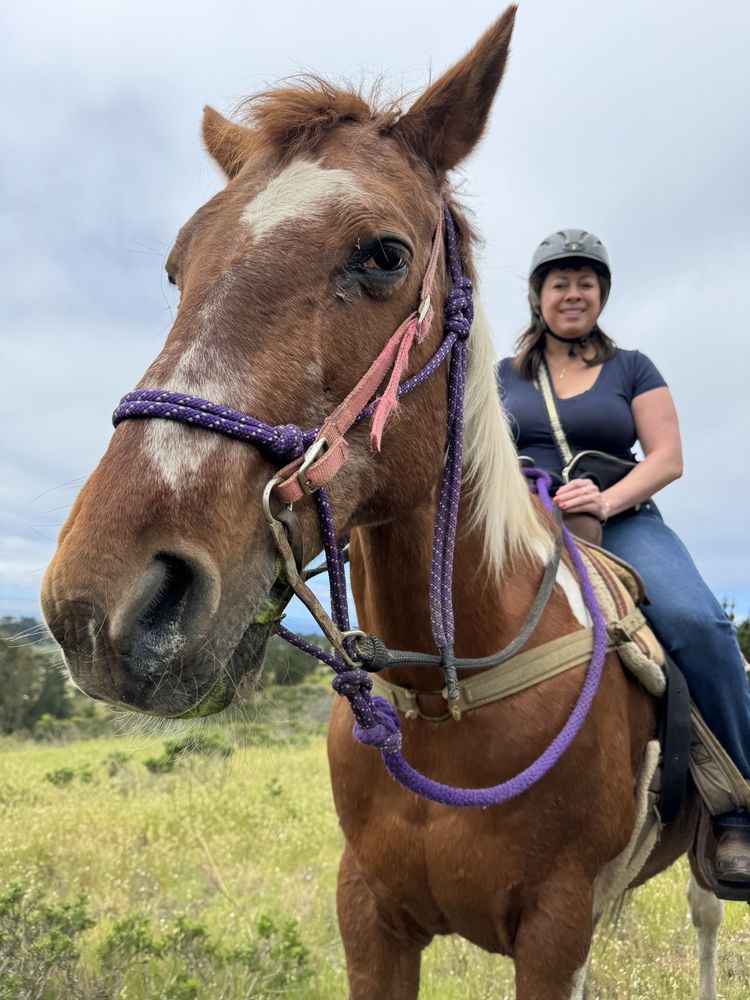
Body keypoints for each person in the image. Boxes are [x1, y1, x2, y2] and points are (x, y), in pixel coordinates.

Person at [496, 229, 750, 888]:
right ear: (538, 296)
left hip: (622, 520)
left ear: (601, 294)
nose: (573, 293)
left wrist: (607, 500)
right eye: (560, 282)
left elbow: (668, 457)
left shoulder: (631, 367)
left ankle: (735, 807)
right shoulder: (502, 378)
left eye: (585, 282)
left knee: (698, 624)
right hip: (525, 525)